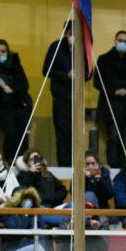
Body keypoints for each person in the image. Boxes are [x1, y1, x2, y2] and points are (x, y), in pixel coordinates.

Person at [93, 30, 126, 168]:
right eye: (121, 40)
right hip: (111, 105)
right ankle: (113, 166)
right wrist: (114, 91)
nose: (123, 43)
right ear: (115, 41)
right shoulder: (104, 59)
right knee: (113, 137)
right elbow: (97, 82)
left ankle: (124, 166)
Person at [42, 22, 81, 166]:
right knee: (62, 133)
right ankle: (64, 165)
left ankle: (76, 164)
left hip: (77, 98)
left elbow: (89, 72)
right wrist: (66, 75)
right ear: (65, 33)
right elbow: (46, 70)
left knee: (76, 134)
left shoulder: (82, 48)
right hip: (61, 97)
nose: (73, 36)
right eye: (71, 33)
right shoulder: (56, 47)